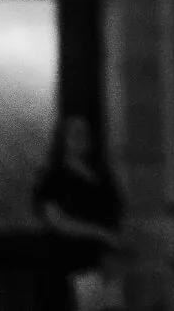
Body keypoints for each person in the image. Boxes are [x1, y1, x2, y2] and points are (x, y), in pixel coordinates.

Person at [34, 114, 124, 311]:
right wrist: (101, 234)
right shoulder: (53, 177)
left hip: (105, 263)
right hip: (73, 262)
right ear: (63, 139)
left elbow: (115, 211)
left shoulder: (102, 175)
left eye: (85, 133)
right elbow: (57, 220)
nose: (81, 138)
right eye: (75, 133)